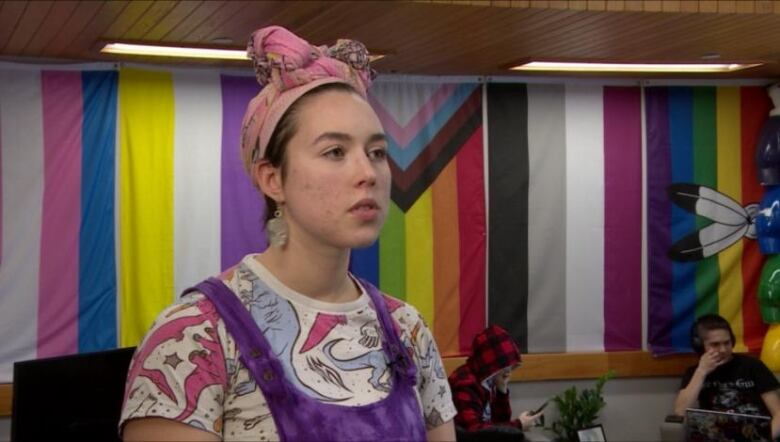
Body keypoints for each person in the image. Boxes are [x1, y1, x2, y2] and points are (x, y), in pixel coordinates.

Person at [119, 26, 456, 441]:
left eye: (377, 152)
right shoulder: (194, 338)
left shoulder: (408, 331)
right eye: (335, 152)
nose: (367, 173)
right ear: (272, 179)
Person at [674, 314, 780, 438]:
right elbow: (680, 412)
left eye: (727, 343)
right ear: (700, 346)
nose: (723, 349)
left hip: (755, 435)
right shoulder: (694, 373)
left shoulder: (752, 366)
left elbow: (778, 413)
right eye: (715, 344)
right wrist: (701, 371)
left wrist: (765, 439)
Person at [448, 325, 543, 439]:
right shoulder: (465, 385)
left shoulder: (487, 379)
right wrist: (519, 425)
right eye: (505, 365)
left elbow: (501, 422)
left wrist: (501, 389)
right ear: (492, 363)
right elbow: (473, 432)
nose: (509, 371)